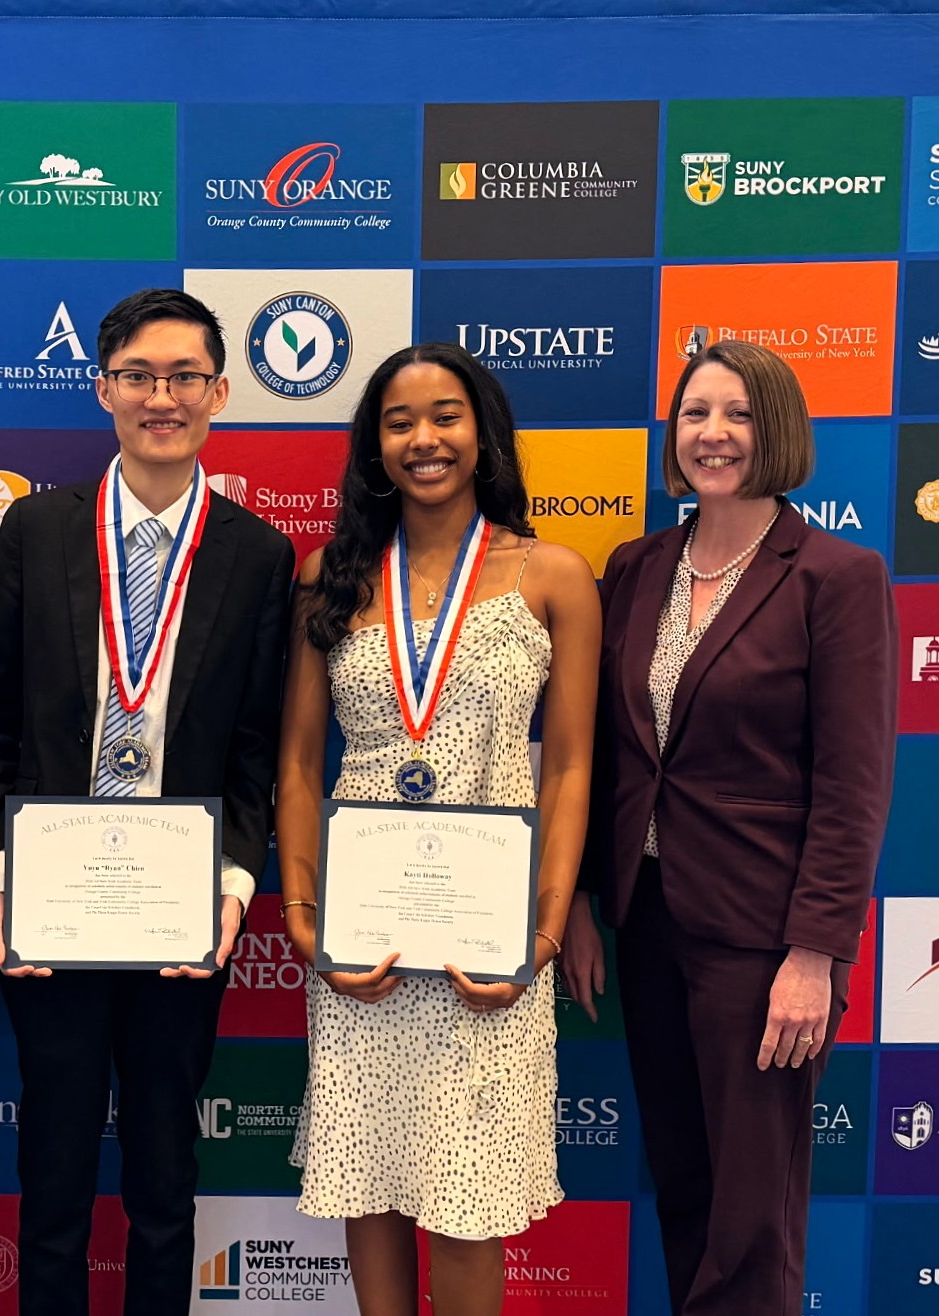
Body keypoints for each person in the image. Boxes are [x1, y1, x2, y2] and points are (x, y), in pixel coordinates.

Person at [0, 288, 294, 1316]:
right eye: (140, 376)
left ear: (220, 392)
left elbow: (252, 752)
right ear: (103, 388)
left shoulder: (256, 554)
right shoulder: (36, 528)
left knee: (164, 1172)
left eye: (185, 376)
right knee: (51, 1171)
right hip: (49, 912)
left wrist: (232, 891)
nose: (163, 397)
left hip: (179, 914)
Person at [561, 340, 898, 1316]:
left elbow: (853, 777)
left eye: (738, 414)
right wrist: (586, 899)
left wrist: (814, 951)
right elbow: (608, 753)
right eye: (695, 413)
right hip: (649, 918)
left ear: (777, 430)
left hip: (761, 938)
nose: (712, 433)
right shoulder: (635, 566)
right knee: (685, 1186)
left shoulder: (834, 573)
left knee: (752, 1218)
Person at [276, 343, 600, 1315]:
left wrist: (537, 936)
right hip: (363, 935)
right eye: (398, 420)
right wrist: (302, 920)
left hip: (490, 941)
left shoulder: (552, 573)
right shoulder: (325, 573)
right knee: (368, 1184)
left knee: (467, 1199)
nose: (423, 437)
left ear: (482, 430)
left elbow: (572, 764)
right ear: (372, 446)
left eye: (445, 414)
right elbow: (295, 761)